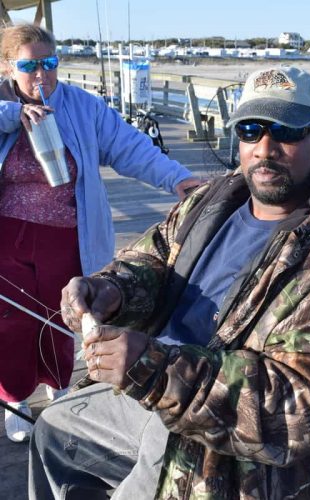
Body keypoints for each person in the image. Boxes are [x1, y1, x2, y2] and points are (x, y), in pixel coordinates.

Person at [29, 66, 310, 499]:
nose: (265, 148)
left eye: (287, 132)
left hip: (242, 454)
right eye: (251, 129)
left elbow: (294, 411)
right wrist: (111, 289)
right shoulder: (214, 199)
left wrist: (152, 367)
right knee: (54, 429)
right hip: (159, 390)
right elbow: (154, 254)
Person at [0, 24, 199, 443]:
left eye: (49, 63)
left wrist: (177, 180)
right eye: (29, 65)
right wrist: (12, 115)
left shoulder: (81, 106)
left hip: (67, 234)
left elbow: (129, 147)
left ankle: (59, 388)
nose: (42, 74)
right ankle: (15, 395)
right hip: (8, 236)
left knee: (60, 317)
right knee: (11, 323)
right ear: (8, 67)